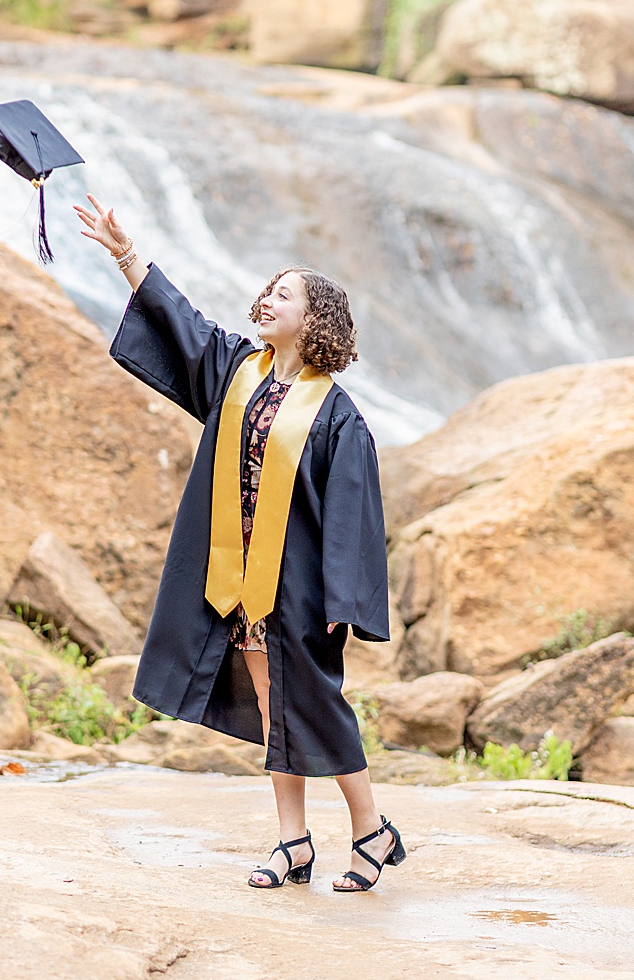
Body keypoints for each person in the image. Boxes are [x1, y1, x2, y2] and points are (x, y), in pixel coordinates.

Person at [75, 195, 403, 895]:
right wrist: (126, 255)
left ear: (313, 319)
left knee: (317, 705)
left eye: (283, 293)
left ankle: (372, 829)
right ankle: (293, 843)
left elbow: (352, 512)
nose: (267, 298)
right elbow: (182, 324)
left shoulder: (337, 414)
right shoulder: (240, 373)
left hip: (300, 589)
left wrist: (343, 597)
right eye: (268, 289)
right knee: (268, 702)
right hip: (240, 573)